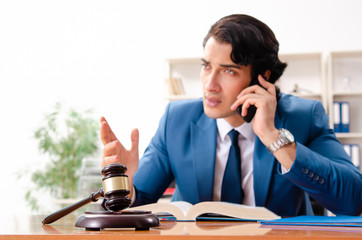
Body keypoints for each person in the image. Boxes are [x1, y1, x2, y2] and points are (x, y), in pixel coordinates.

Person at [100, 14, 362, 216]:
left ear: (262, 78)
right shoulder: (176, 120)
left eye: (228, 71)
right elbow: (139, 199)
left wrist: (273, 137)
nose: (209, 84)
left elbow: (353, 200)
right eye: (206, 67)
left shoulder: (303, 117)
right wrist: (121, 183)